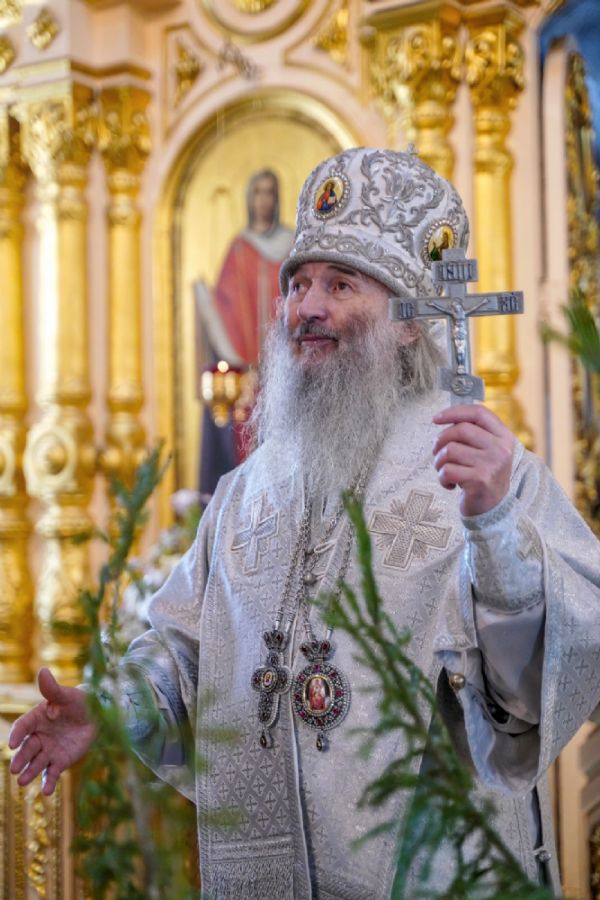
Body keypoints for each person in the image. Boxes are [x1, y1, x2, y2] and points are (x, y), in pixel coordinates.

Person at [9, 148, 600, 898]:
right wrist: (115, 706)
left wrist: (495, 528)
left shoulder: (479, 469)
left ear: (409, 323)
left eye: (339, 284)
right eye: (297, 284)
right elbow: (185, 648)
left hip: (435, 873)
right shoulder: (248, 489)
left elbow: (536, 691)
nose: (305, 308)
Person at [195, 169, 294, 494]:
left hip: (287, 369)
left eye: (269, 192)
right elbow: (226, 306)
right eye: (258, 192)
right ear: (250, 199)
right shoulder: (239, 250)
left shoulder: (292, 245)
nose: (263, 200)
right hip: (250, 376)